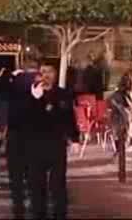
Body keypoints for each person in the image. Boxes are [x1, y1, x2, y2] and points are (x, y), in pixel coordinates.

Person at [26, 62, 80, 219]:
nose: (46, 75)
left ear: (55, 74)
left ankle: (60, 215)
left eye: (50, 71)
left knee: (58, 185)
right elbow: (26, 119)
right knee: (37, 185)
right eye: (43, 71)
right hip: (36, 145)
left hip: (56, 144)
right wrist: (36, 99)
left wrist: (74, 139)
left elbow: (69, 118)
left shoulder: (63, 94)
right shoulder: (31, 94)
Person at [7, 57, 40, 219]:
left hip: (15, 134)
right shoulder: (37, 81)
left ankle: (18, 207)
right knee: (33, 174)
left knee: (16, 176)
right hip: (34, 135)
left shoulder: (13, 81)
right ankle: (34, 206)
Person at [108, 72, 131, 156]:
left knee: (117, 134)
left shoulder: (116, 95)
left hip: (115, 117)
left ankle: (119, 151)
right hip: (118, 117)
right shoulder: (121, 95)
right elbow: (122, 108)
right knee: (119, 133)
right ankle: (120, 151)